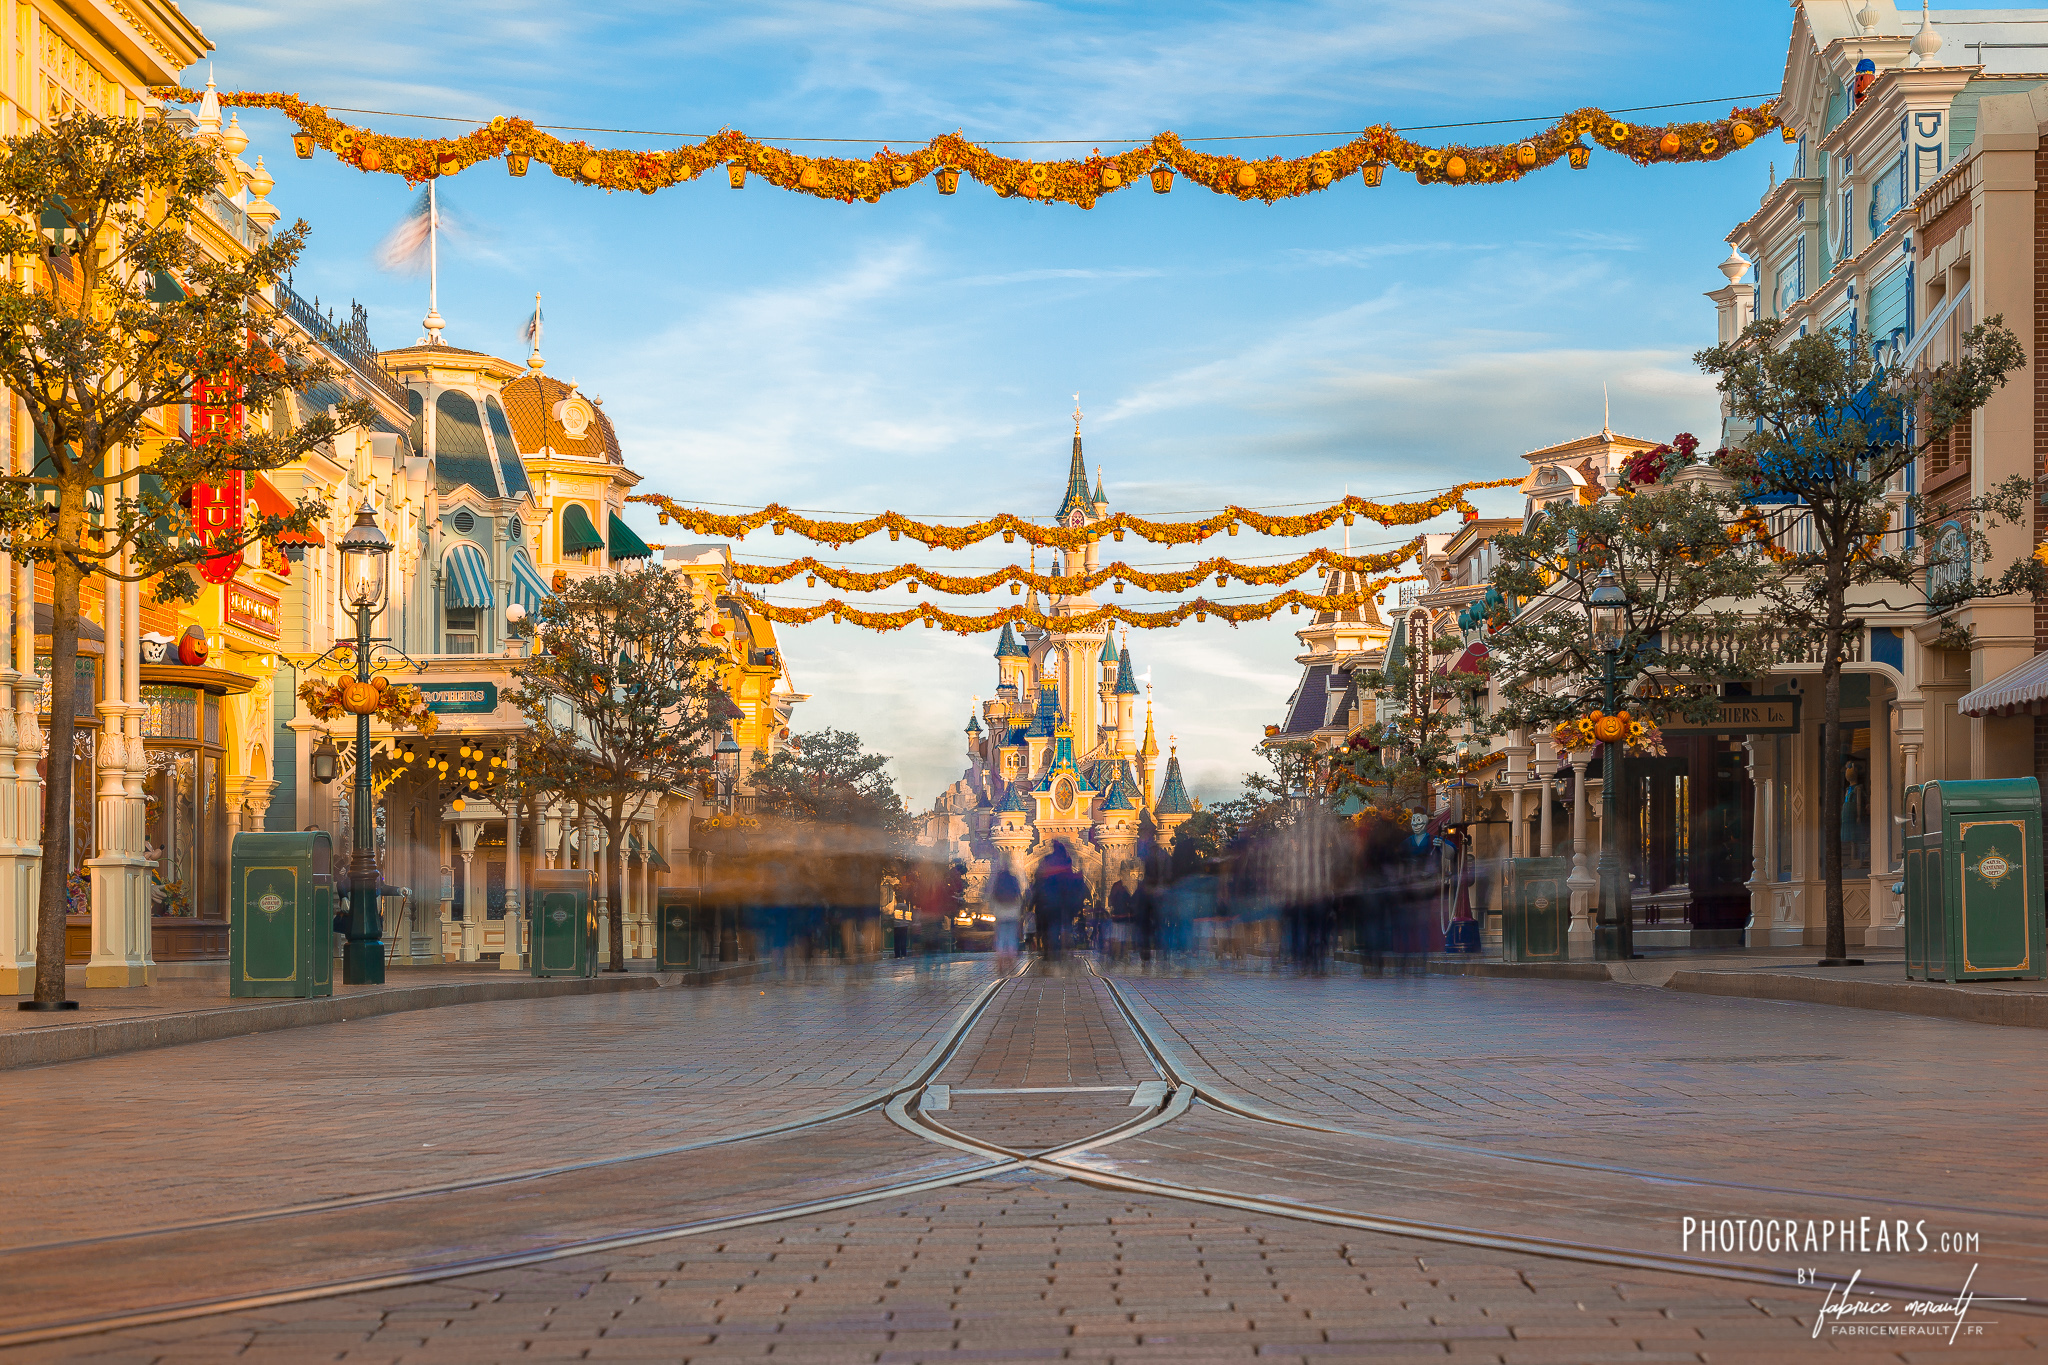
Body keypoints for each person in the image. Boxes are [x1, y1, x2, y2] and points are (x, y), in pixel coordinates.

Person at [1028, 843, 1085, 962]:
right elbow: (1073, 885)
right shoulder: (1066, 862)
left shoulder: (1047, 861)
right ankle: (1064, 951)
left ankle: (1052, 953)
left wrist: (1031, 904)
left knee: (1052, 929)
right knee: (1065, 929)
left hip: (1049, 904)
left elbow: (1038, 883)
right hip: (1064, 905)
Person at [989, 865, 1022, 973]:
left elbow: (992, 900)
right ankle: (1012, 965)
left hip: (1000, 915)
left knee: (1001, 940)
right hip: (1013, 915)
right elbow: (1019, 897)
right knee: (1012, 939)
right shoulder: (1013, 881)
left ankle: (1000, 965)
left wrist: (993, 910)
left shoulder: (998, 884)